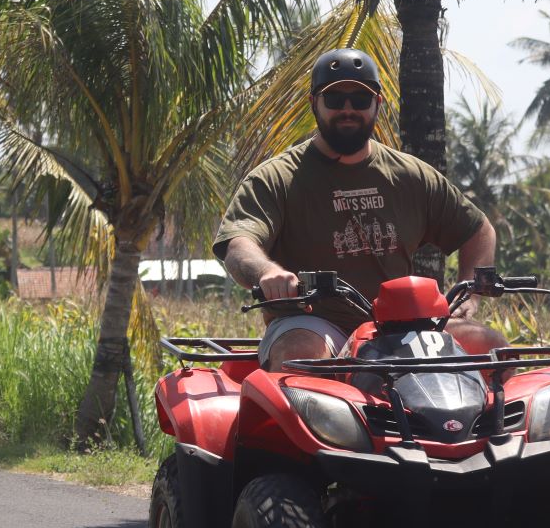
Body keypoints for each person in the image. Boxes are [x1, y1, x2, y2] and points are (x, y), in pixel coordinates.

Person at [213, 48, 509, 369]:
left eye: (360, 99)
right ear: (314, 104)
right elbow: (238, 245)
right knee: (300, 355)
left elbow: (478, 231)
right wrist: (267, 272)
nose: (348, 109)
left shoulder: (411, 175)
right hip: (315, 323)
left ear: (377, 104)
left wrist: (470, 297)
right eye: (335, 99)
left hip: (403, 324)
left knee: (493, 349)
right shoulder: (275, 178)